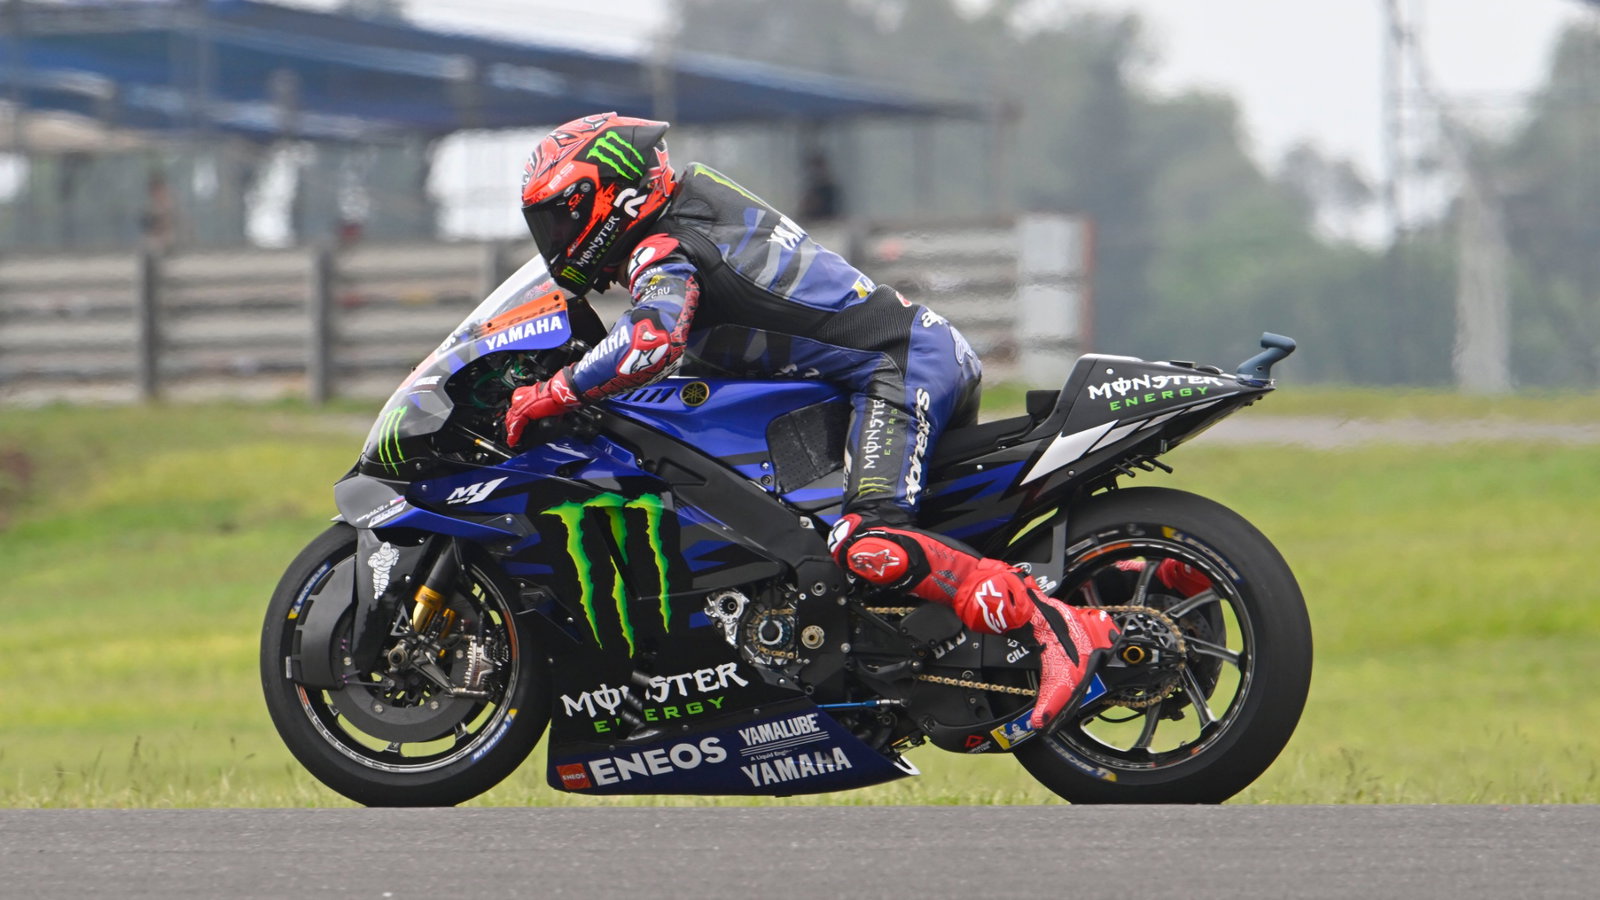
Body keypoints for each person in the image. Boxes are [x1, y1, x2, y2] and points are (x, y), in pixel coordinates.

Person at [504, 112, 1118, 732]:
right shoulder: (693, 208)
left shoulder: (664, 246)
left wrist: (553, 391)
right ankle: (1105, 587)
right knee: (897, 544)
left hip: (897, 367)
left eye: (562, 216)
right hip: (896, 361)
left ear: (612, 194)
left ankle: (1056, 628)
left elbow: (652, 338)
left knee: (866, 539)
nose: (557, 236)